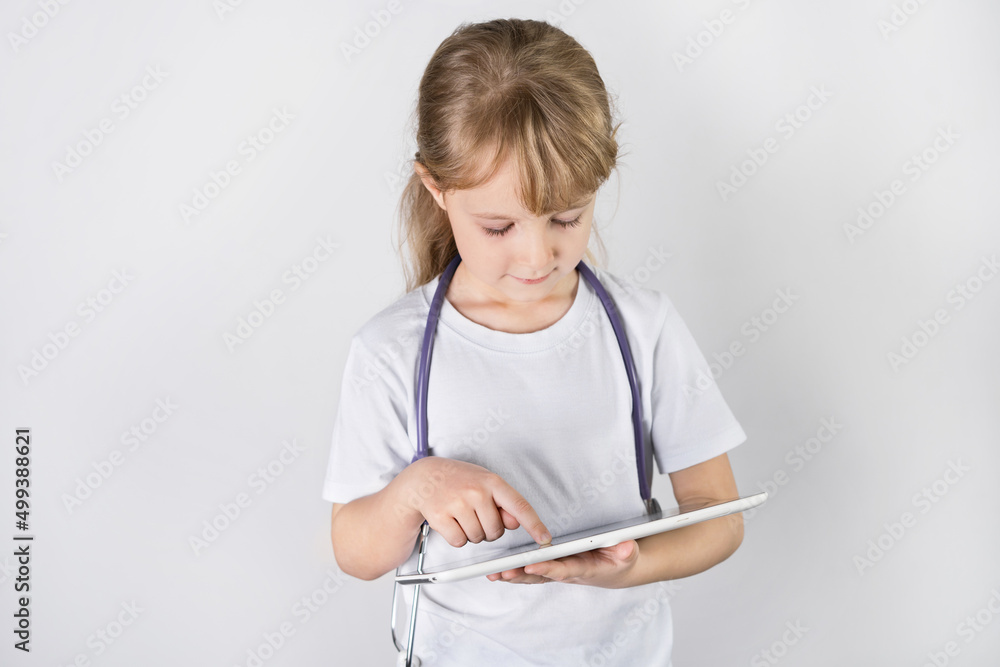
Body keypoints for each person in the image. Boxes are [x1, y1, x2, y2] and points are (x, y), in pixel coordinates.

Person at [323, 18, 749, 666]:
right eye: (499, 227)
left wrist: (627, 567)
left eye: (567, 218)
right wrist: (414, 489)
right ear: (437, 189)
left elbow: (719, 517)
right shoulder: (390, 351)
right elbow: (354, 551)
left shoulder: (645, 328)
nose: (536, 255)